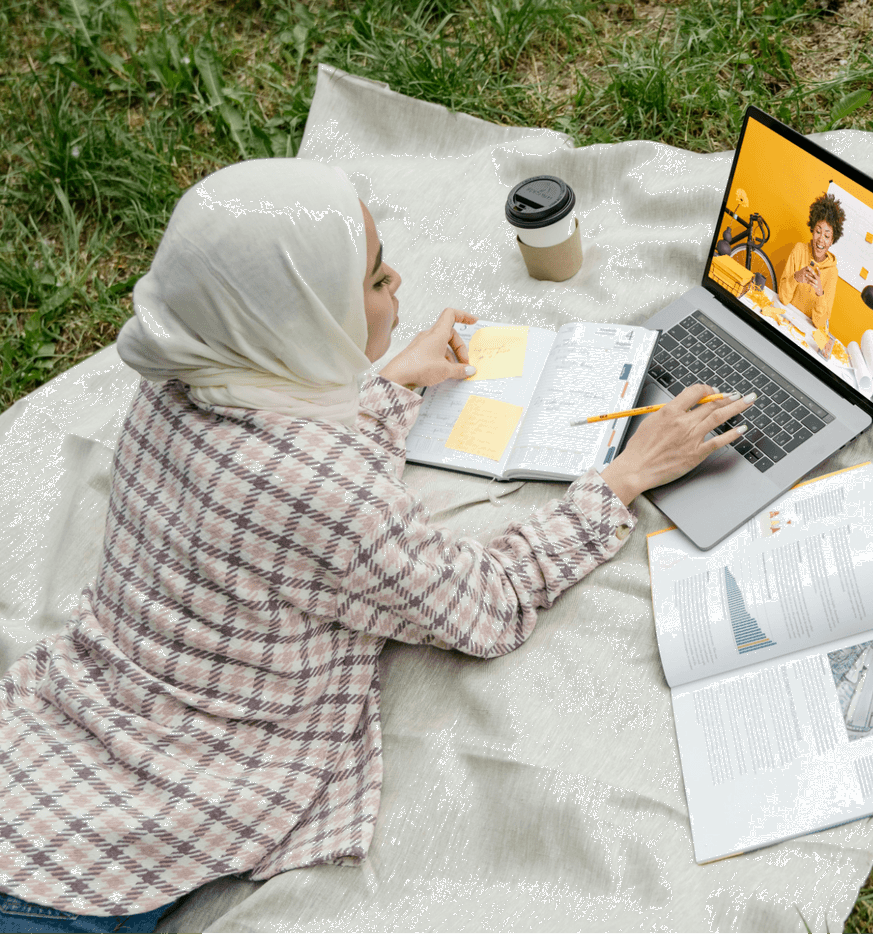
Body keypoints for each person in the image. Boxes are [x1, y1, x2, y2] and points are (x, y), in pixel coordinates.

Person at [0, 159, 755, 933]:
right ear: (297, 319)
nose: (397, 281)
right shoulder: (326, 495)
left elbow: (278, 466)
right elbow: (487, 605)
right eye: (370, 278)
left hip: (30, 770)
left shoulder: (175, 380)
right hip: (84, 883)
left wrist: (391, 385)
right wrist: (628, 473)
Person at [776, 192, 845, 355]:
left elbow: (820, 323)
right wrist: (795, 278)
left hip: (806, 337)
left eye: (827, 235)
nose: (821, 239)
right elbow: (783, 298)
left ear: (832, 240)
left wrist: (820, 292)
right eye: (818, 232)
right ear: (812, 230)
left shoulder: (833, 272)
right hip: (785, 322)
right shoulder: (799, 250)